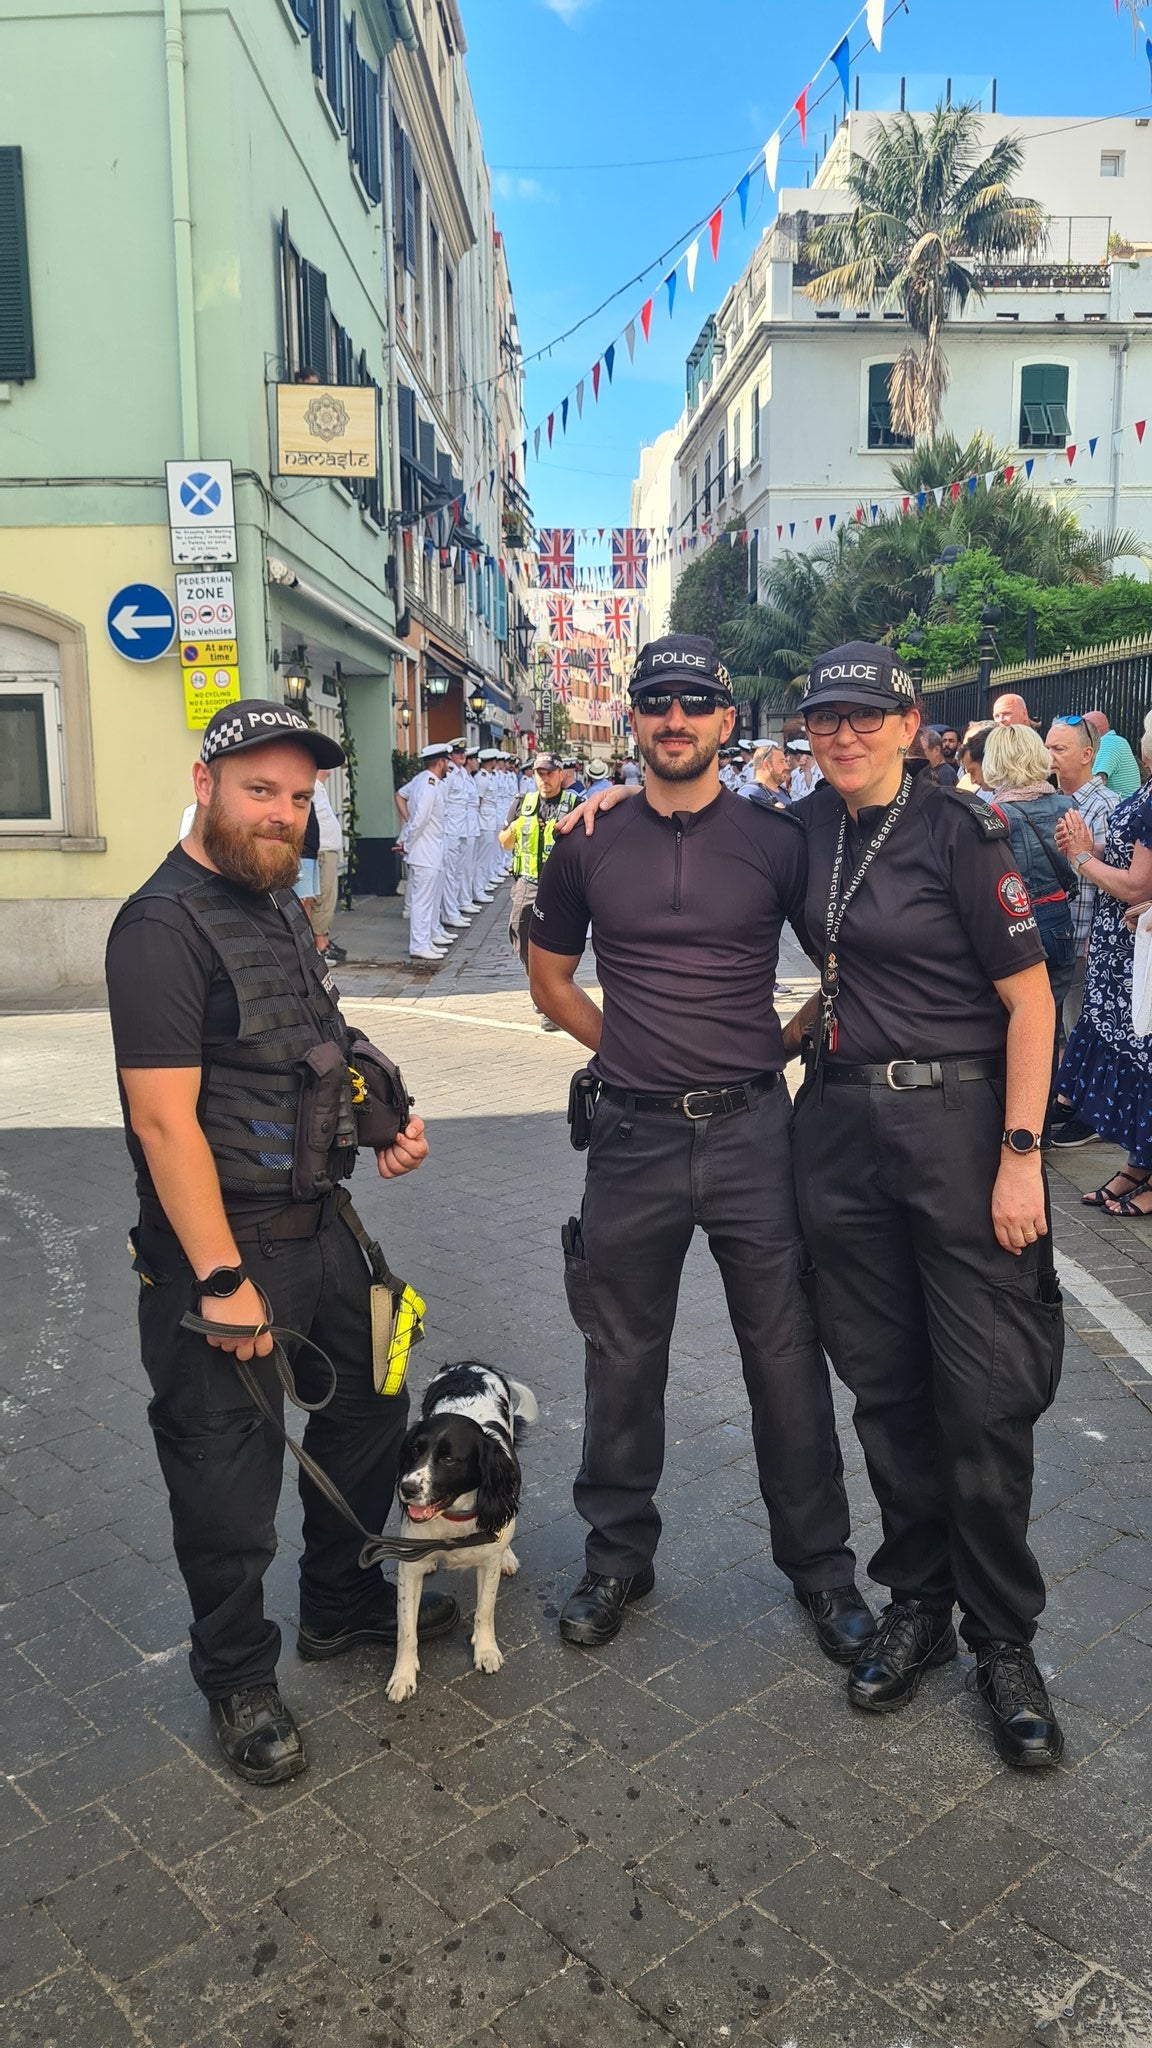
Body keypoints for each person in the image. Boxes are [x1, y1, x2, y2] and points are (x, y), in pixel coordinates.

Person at [104, 699, 456, 1784]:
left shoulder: (277, 903)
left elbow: (314, 1039)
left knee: (365, 1408)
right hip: (225, 1248)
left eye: (300, 798)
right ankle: (238, 1676)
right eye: (262, 790)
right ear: (205, 784)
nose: (283, 814)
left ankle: (341, 1605)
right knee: (227, 1475)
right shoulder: (161, 925)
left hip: (323, 1226)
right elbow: (164, 1118)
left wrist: (380, 1108)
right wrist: (217, 1276)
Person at [529, 633, 872, 1666]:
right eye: (655, 701)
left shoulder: (780, 840)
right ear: (632, 718)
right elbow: (550, 982)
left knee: (784, 1356)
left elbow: (851, 959)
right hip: (628, 1136)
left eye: (694, 702)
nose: (673, 718)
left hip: (755, 1135)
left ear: (727, 721)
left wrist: (776, 1041)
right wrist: (627, 1047)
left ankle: (822, 1570)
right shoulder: (585, 839)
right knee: (622, 1354)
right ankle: (616, 1556)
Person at [783, 642, 1065, 1769]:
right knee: (885, 1381)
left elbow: (1031, 1005)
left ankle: (1004, 1637)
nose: (842, 735)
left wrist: (1021, 1157)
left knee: (987, 1394)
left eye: (865, 716)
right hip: (842, 1131)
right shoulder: (802, 829)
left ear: (909, 723)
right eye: (823, 720)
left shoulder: (962, 829)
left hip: (959, 1130)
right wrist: (616, 800)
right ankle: (919, 1602)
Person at [1052, 714, 1152, 1213]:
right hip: (1123, 949)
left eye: (1059, 748)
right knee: (1132, 1057)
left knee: (1141, 1058)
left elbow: (1137, 885)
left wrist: (1082, 857)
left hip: (1135, 951)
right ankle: (1139, 1163)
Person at [982, 723, 1080, 1019]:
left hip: (1013, 922)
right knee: (1050, 1020)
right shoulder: (1067, 804)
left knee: (1011, 1021)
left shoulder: (995, 816)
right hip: (1059, 920)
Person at [1044, 717, 1118, 1075]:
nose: (1049, 756)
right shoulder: (1050, 800)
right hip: (1055, 938)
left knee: (1081, 1027)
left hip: (1086, 942)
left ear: (1087, 754)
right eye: (1047, 747)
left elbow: (1113, 876)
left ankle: (1081, 1107)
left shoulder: (1105, 806)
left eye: (1059, 749)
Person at [499, 751, 580, 1027]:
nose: (544, 779)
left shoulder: (575, 803)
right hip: (529, 882)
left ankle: (550, 1002)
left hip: (561, 885)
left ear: (561, 774)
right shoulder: (522, 803)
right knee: (519, 932)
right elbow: (504, 842)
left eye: (549, 773)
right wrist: (513, 830)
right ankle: (540, 988)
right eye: (539, 774)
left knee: (557, 943)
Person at [404, 742, 452, 960]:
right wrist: (407, 843)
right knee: (422, 902)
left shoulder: (424, 781)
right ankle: (419, 944)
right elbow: (419, 821)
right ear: (440, 762)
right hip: (424, 852)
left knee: (428, 901)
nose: (447, 766)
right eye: (446, 762)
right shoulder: (429, 786)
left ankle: (425, 940)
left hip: (430, 851)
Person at [439, 740, 478, 929]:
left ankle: (454, 909)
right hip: (450, 831)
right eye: (458, 752)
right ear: (450, 755)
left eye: (463, 752)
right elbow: (442, 803)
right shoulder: (450, 775)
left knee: (458, 872)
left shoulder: (461, 773)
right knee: (450, 873)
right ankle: (449, 913)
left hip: (461, 828)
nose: (462, 755)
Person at [310, 769, 346, 965]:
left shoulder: (319, 787)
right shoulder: (312, 786)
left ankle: (324, 939)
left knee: (329, 897)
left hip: (327, 849)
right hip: (322, 850)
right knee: (324, 898)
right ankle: (320, 945)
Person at [1084, 709, 1142, 799]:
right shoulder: (1118, 740)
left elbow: (1097, 781)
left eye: (1082, 730)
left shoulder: (1107, 743)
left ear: (1092, 730)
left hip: (1119, 807)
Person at [740, 741, 791, 809]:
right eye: (781, 762)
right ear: (767, 765)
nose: (786, 767)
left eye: (785, 762)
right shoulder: (750, 793)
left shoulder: (783, 792)